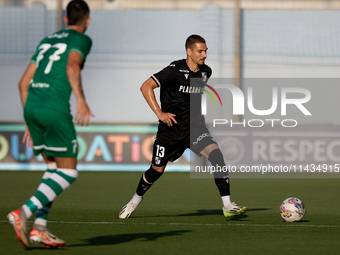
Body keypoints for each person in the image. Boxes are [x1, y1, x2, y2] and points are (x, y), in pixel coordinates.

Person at [119, 34, 247, 220]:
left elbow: (194, 96)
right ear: (189, 51)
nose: (204, 55)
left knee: (217, 157)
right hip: (170, 131)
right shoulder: (174, 70)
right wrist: (159, 113)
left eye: (205, 51)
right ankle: (135, 200)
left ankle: (227, 205)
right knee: (156, 170)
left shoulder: (206, 72)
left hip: (194, 128)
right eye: (200, 51)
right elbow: (146, 86)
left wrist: (200, 116)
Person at [7, 0, 93, 249]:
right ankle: (23, 212)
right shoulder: (81, 39)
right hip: (54, 109)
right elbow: (72, 65)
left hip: (32, 106)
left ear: (65, 19)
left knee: (53, 169)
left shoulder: (47, 40)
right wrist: (81, 100)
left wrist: (29, 120)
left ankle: (40, 229)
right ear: (87, 21)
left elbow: (23, 83)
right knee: (68, 172)